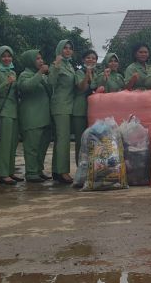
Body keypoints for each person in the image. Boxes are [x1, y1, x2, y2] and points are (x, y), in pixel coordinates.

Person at [17, 49, 52, 183]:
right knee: (32, 147)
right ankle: (31, 173)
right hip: (31, 118)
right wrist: (40, 73)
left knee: (42, 147)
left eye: (41, 58)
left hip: (44, 117)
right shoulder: (24, 75)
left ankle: (38, 170)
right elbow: (26, 87)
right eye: (37, 58)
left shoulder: (42, 75)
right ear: (30, 61)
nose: (41, 61)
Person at [0, 45, 21, 185]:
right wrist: (5, 83)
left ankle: (10, 171)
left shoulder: (13, 72)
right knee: (4, 144)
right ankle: (3, 173)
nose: (7, 58)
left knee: (13, 144)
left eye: (9, 56)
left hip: (14, 111)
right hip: (3, 111)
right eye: (4, 56)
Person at [49, 39, 76, 184]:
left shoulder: (70, 65)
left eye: (70, 48)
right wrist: (57, 64)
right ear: (59, 49)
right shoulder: (57, 64)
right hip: (60, 106)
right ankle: (63, 171)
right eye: (65, 48)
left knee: (62, 140)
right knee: (63, 140)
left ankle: (56, 170)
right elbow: (51, 81)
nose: (67, 50)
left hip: (68, 105)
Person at [73, 49, 98, 165]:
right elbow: (82, 88)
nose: (90, 60)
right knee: (81, 140)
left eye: (93, 58)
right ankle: (80, 168)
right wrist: (87, 75)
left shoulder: (97, 74)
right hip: (80, 110)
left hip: (93, 111)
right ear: (83, 60)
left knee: (93, 140)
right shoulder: (79, 72)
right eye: (88, 57)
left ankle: (92, 167)